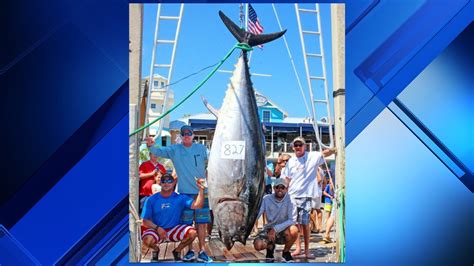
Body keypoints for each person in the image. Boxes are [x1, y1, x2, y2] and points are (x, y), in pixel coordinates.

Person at [146, 125, 213, 262]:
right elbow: (158, 151)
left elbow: (215, 157)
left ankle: (202, 251)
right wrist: (151, 145)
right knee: (187, 225)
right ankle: (189, 251)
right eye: (184, 133)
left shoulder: (201, 148)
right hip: (184, 193)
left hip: (201, 192)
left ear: (193, 135)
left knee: (202, 224)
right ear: (181, 136)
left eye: (189, 133)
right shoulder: (174, 149)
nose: (187, 135)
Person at [280, 136, 336, 258]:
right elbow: (286, 179)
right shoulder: (291, 162)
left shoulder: (312, 156)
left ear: (305, 146)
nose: (298, 147)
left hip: (305, 197)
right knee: (294, 224)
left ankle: (306, 250)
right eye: (296, 145)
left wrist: (336, 147)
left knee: (305, 225)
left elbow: (326, 153)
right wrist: (283, 193)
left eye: (300, 145)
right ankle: (298, 248)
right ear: (293, 148)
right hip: (292, 197)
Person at [141, 174, 206, 262]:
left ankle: (177, 251)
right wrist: (158, 228)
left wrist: (201, 190)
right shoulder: (151, 199)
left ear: (173, 183)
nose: (166, 183)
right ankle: (156, 250)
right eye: (164, 181)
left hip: (174, 229)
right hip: (156, 229)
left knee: (193, 233)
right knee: (147, 240)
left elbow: (197, 206)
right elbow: (144, 221)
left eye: (169, 181)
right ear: (160, 183)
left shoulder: (180, 198)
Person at [253, 178, 299, 262]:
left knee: (294, 230)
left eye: (282, 187)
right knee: (258, 245)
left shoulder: (291, 200)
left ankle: (286, 252)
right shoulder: (266, 199)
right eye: (277, 187)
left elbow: (292, 220)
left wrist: (275, 229)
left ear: (286, 189)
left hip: (284, 230)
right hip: (269, 228)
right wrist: (249, 224)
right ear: (274, 188)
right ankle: (270, 249)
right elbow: (257, 214)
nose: (280, 189)